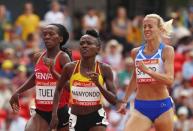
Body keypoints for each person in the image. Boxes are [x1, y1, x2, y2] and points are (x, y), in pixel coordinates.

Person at [50, 29, 118, 131]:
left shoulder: (105, 69)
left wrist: (99, 85)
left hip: (96, 117)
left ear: (98, 49)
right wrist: (54, 114)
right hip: (75, 117)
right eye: (82, 43)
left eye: (89, 43)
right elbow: (58, 89)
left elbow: (114, 100)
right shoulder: (70, 68)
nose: (84, 46)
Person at [117, 14, 175, 131]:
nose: (146, 29)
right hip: (141, 107)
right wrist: (124, 100)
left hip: (162, 106)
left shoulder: (167, 50)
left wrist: (148, 71)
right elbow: (135, 77)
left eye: (150, 26)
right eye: (144, 27)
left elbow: (169, 80)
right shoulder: (135, 52)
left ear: (160, 29)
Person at [9, 24, 71, 131]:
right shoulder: (38, 56)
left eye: (51, 34)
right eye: (45, 34)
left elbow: (70, 87)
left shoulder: (63, 58)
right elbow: (35, 77)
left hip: (59, 111)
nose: (47, 36)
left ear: (60, 39)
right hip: (41, 111)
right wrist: (17, 92)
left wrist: (53, 71)